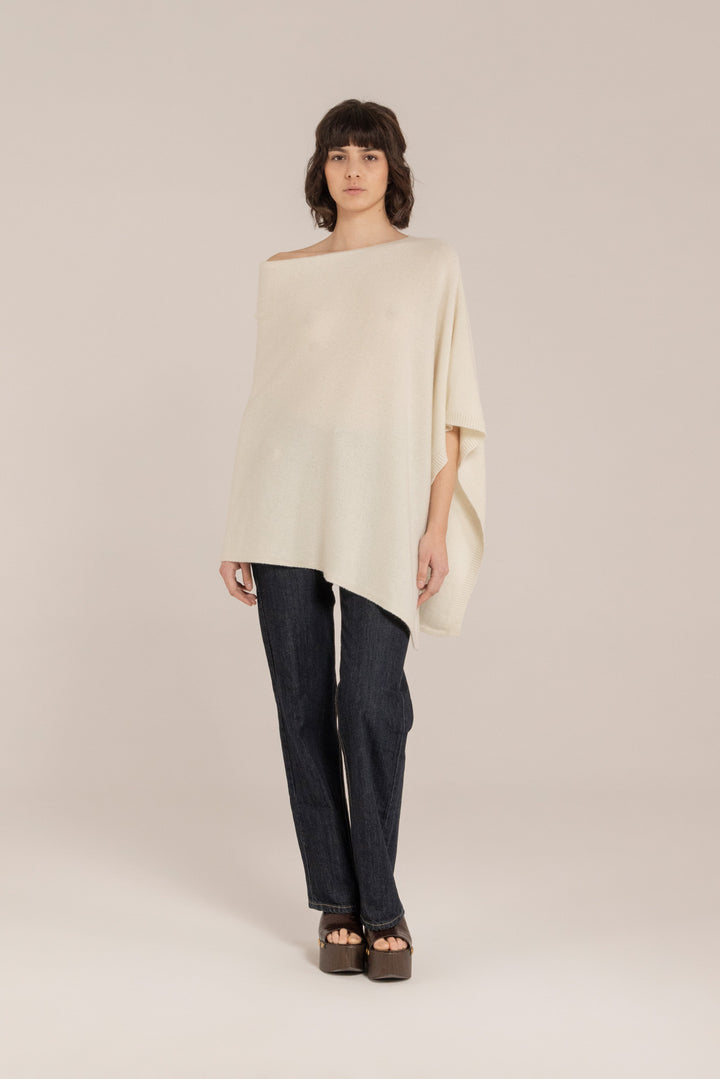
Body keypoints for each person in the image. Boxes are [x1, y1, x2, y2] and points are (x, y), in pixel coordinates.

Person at [219, 99, 487, 981]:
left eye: (370, 155)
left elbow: (448, 407)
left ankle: (383, 903)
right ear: (322, 170)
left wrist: (435, 522)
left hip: (383, 508)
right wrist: (239, 523)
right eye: (339, 154)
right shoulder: (283, 273)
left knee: (370, 702)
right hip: (283, 506)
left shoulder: (430, 266)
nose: (354, 170)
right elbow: (269, 403)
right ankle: (338, 901)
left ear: (392, 169)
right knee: (301, 707)